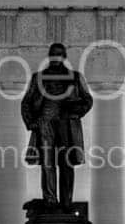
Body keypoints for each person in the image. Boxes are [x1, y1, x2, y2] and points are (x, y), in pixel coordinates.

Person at [21, 42, 93, 210]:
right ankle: (50, 201)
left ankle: (66, 203)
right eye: (53, 54)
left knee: (66, 164)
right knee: (47, 164)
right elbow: (27, 102)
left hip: (66, 124)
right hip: (45, 124)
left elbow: (87, 100)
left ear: (63, 57)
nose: (55, 58)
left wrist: (76, 110)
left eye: (58, 54)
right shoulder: (38, 77)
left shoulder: (75, 77)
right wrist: (31, 121)